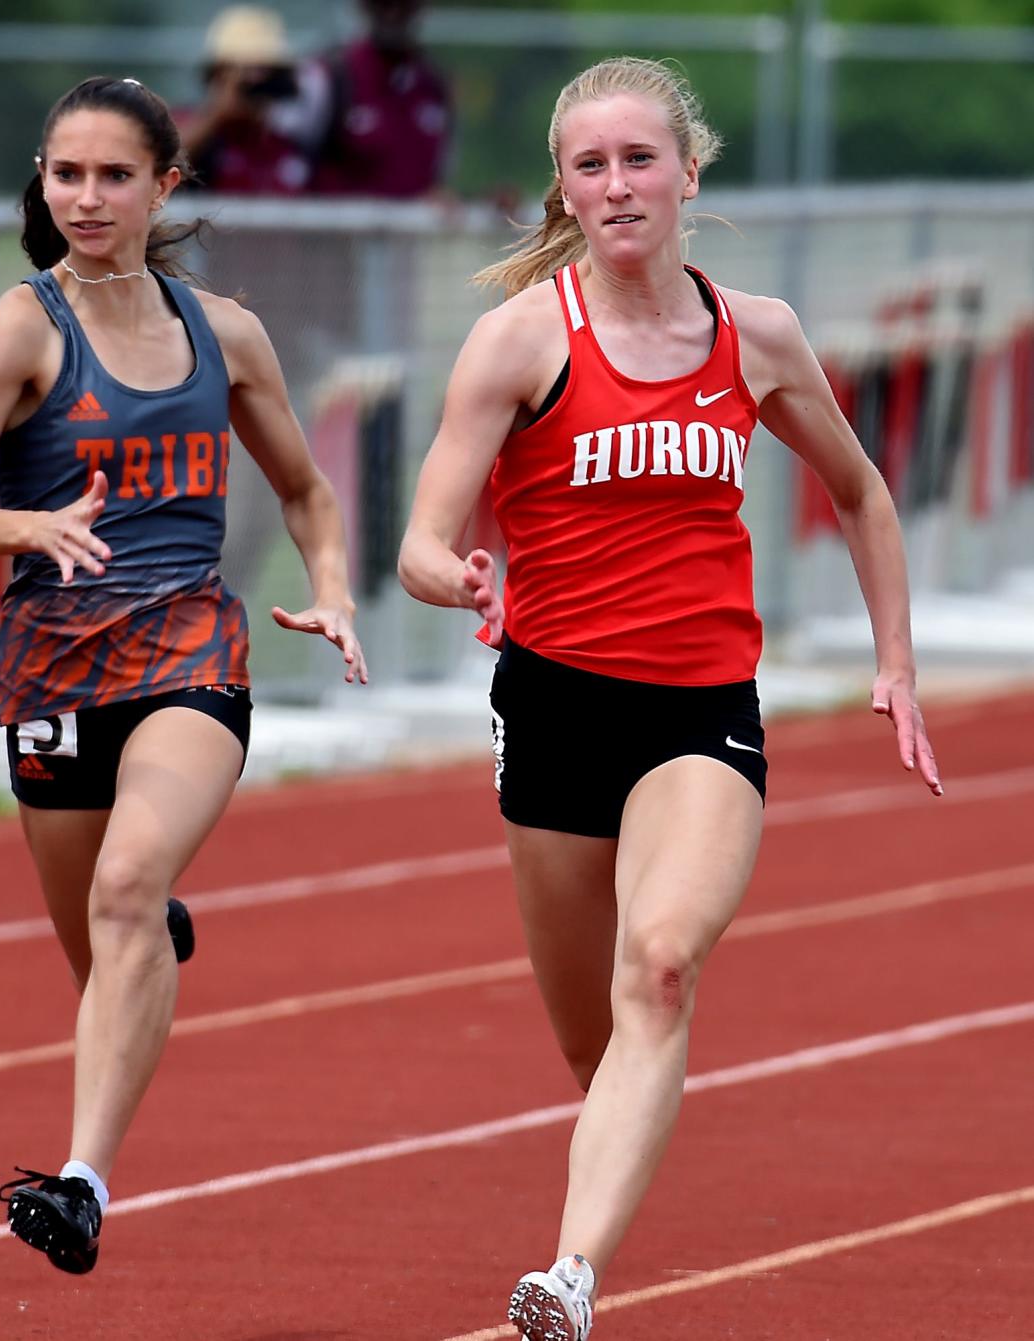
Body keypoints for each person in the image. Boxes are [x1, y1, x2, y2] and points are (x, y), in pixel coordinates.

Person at [397, 56, 941, 1341]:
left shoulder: (760, 335)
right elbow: (423, 535)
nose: (618, 184)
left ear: (689, 173)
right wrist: (453, 573)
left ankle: (568, 1281)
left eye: (640, 158)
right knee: (597, 1052)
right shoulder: (523, 337)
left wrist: (896, 664)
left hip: (701, 710)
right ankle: (607, 1192)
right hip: (551, 712)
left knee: (661, 969)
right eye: (590, 165)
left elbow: (861, 492)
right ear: (565, 193)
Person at [0, 74, 365, 1275]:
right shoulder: (19, 329)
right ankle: (149, 919)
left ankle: (81, 1185)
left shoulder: (226, 331)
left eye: (115, 175)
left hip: (189, 654)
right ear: (44, 181)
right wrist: (33, 529)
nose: (87, 197)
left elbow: (309, 490)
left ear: (166, 185)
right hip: (54, 673)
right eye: (67, 173)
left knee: (121, 898)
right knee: (106, 953)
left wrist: (329, 587)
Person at [305, 0, 452, 197]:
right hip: (334, 223)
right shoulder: (329, 76)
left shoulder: (434, 86)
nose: (393, 14)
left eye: (404, 6)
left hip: (410, 226)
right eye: (384, 5)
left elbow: (435, 181)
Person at [178, 5, 316, 196]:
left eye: (266, 71)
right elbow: (162, 165)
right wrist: (216, 115)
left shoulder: (286, 148)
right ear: (217, 75)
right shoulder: (189, 129)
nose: (256, 83)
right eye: (245, 73)